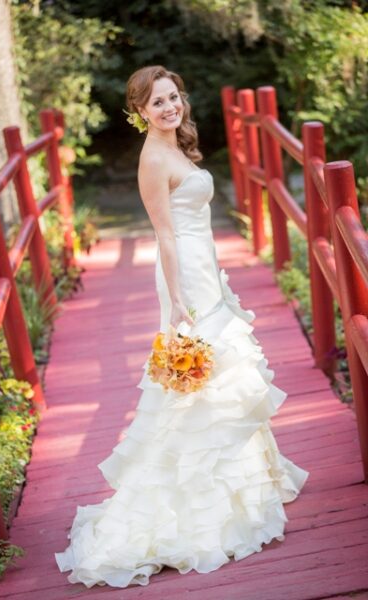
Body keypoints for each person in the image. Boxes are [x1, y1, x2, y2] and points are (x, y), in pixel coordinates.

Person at [54, 65, 309, 589]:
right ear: (140, 112)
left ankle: (242, 482)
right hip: (184, 277)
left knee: (222, 377)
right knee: (200, 382)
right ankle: (189, 503)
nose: (169, 107)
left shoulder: (174, 146)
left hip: (203, 268)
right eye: (157, 103)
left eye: (173, 98)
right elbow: (166, 235)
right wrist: (175, 305)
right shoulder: (152, 160)